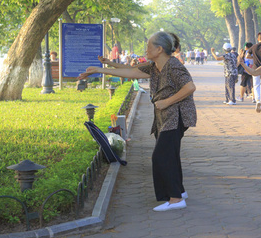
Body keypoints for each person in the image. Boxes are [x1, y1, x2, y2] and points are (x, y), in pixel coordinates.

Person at [79, 32, 197, 212]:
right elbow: (131, 71)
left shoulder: (173, 66)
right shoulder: (155, 66)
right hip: (165, 117)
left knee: (161, 156)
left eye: (149, 47)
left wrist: (166, 101)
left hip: (176, 116)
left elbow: (190, 87)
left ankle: (175, 199)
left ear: (159, 49)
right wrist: (100, 69)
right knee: (169, 154)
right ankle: (178, 191)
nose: (146, 50)